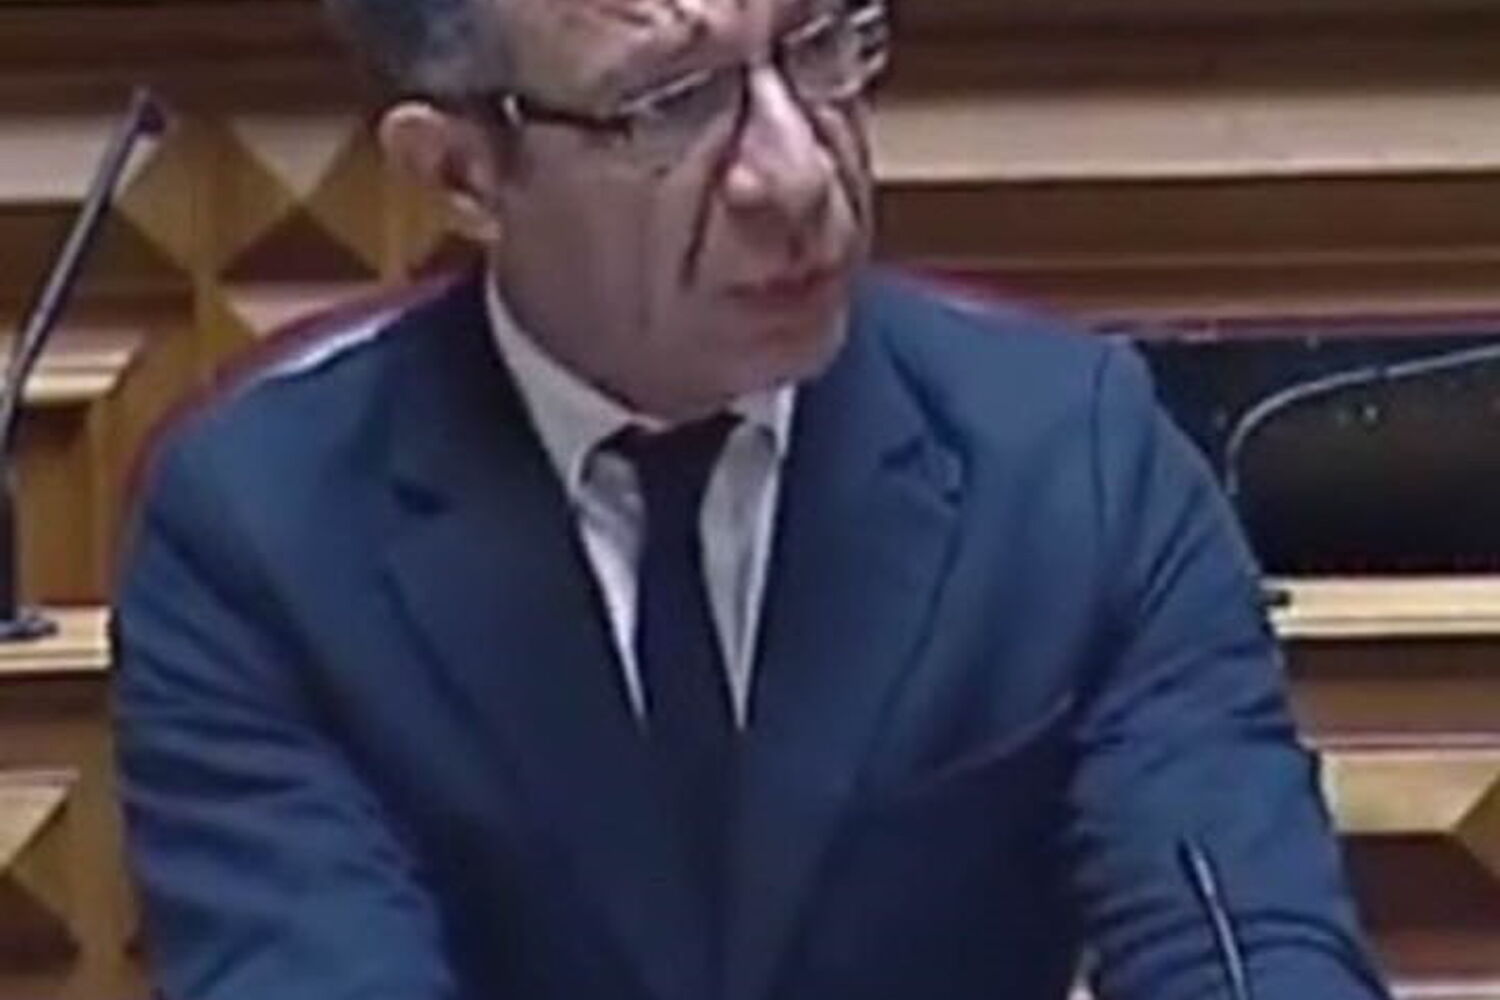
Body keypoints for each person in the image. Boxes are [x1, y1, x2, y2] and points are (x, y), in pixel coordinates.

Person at [111, 0, 1392, 998]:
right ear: (461, 174)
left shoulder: (1072, 457)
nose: (795, 177)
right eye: (668, 106)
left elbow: (1244, 940)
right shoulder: (265, 537)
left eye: (819, 44)